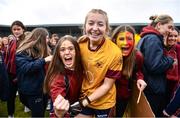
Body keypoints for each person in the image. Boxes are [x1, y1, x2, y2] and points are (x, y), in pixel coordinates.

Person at [75, 9, 122, 117]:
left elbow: (107, 85)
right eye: (91, 23)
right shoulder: (80, 44)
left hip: (104, 102)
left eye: (100, 24)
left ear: (106, 28)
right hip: (83, 97)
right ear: (85, 26)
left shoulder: (115, 52)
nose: (95, 28)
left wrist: (85, 101)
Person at [137, 14, 174, 116]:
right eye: (169, 27)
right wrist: (170, 60)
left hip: (149, 87)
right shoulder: (153, 39)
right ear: (159, 25)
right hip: (153, 89)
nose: (171, 31)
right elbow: (154, 66)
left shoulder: (147, 37)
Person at [44, 35, 84, 117]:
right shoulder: (58, 77)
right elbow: (59, 107)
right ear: (58, 54)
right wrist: (60, 112)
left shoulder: (82, 67)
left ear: (77, 51)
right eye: (62, 50)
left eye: (71, 48)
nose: (66, 52)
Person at [111, 25, 147, 117]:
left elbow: (138, 71)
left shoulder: (137, 56)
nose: (125, 42)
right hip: (106, 96)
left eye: (129, 39)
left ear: (134, 41)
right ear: (115, 40)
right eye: (121, 39)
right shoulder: (108, 54)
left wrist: (140, 79)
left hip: (122, 97)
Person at [16, 28, 52, 117]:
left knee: (41, 112)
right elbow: (25, 68)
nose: (48, 40)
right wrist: (44, 60)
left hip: (43, 89)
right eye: (47, 38)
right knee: (38, 115)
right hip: (32, 91)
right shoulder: (23, 51)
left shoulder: (43, 49)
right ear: (40, 38)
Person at [4, 20, 26, 118]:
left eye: (18, 29)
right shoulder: (12, 41)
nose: (16, 31)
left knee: (24, 95)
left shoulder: (27, 41)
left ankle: (29, 107)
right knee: (10, 96)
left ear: (23, 29)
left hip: (22, 74)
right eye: (14, 29)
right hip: (10, 73)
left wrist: (19, 75)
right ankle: (10, 114)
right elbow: (8, 58)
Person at [164, 28, 180, 102]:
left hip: (174, 84)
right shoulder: (160, 48)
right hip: (161, 83)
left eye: (175, 36)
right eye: (170, 36)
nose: (173, 38)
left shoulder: (178, 48)